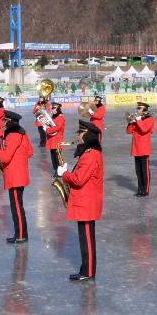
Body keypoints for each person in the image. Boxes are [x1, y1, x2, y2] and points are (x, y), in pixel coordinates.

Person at [57, 120, 103, 281]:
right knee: (85, 239)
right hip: (85, 201)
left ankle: (88, 271)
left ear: (88, 135)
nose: (78, 136)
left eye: (80, 133)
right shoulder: (88, 153)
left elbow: (78, 179)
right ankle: (85, 269)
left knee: (87, 240)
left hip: (86, 202)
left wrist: (64, 174)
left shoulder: (90, 155)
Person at [0, 111, 34, 244]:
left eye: (5, 121)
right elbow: (30, 152)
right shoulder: (23, 134)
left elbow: (5, 157)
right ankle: (21, 233)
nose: (3, 123)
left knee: (16, 208)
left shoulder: (12, 136)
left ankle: (21, 235)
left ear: (10, 122)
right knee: (18, 206)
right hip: (20, 174)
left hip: (14, 177)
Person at [126, 101, 154, 197]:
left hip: (144, 148)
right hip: (136, 148)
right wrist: (131, 122)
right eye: (137, 108)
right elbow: (129, 131)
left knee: (145, 171)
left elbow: (144, 130)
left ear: (144, 110)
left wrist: (138, 120)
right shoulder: (139, 119)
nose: (137, 110)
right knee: (138, 171)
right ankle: (140, 189)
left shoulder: (150, 119)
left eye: (139, 108)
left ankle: (145, 190)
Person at [44, 101, 66, 174]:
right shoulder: (53, 116)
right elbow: (52, 125)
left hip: (57, 140)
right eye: (52, 108)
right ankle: (56, 170)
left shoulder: (60, 117)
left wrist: (47, 130)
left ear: (58, 108)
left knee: (57, 157)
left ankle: (60, 171)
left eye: (54, 108)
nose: (52, 109)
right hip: (52, 140)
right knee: (53, 156)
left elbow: (57, 128)